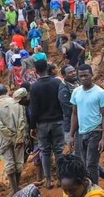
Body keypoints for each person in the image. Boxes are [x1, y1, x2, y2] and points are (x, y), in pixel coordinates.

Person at [69, 64, 104, 192]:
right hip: (80, 132)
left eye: (86, 75)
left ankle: (94, 191)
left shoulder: (100, 93)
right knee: (84, 162)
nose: (83, 78)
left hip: (95, 131)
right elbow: (74, 113)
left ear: (91, 75)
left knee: (91, 165)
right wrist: (71, 135)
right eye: (81, 76)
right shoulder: (76, 92)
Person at [28, 58, 65, 189]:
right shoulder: (56, 83)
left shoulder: (34, 87)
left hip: (42, 124)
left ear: (36, 71)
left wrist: (32, 127)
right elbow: (62, 101)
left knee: (45, 152)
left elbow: (34, 109)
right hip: (58, 121)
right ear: (47, 68)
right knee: (59, 151)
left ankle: (48, 180)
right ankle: (61, 178)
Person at [0, 84, 27, 193]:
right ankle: (17, 186)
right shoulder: (17, 103)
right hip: (18, 137)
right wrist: (17, 136)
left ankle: (14, 189)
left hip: (4, 139)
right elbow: (22, 121)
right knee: (19, 163)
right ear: (7, 91)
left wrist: (9, 135)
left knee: (9, 164)